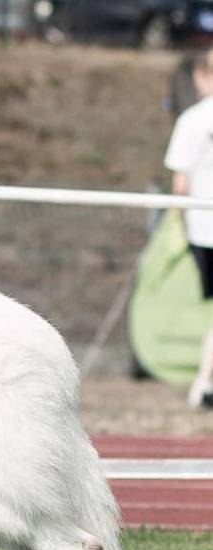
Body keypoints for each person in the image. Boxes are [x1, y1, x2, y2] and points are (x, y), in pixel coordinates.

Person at [166, 50, 213, 407]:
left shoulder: (192, 120)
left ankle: (203, 382)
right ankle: (204, 382)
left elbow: (180, 186)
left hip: (202, 228)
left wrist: (179, 225)